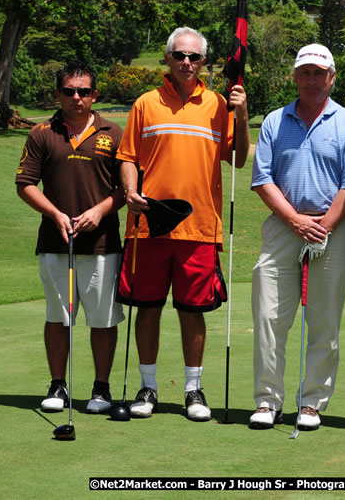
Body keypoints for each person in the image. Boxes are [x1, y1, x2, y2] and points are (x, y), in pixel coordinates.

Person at [117, 27, 250, 422]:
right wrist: (129, 190)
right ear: (167, 58)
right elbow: (127, 157)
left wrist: (241, 115)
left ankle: (193, 390)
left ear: (204, 62)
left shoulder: (218, 104)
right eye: (179, 55)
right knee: (148, 308)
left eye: (194, 57)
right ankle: (148, 387)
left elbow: (238, 158)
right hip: (149, 224)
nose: (186, 63)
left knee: (193, 310)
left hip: (200, 227)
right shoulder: (145, 103)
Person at [249, 44, 345, 431]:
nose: (312, 79)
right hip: (284, 227)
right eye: (305, 72)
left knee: (324, 322)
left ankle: (312, 403)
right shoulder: (274, 121)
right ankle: (268, 402)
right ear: (295, 76)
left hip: (331, 229)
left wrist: (324, 226)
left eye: (320, 72)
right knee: (268, 316)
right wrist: (296, 222)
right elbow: (262, 180)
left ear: (332, 77)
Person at [16, 62, 126, 415]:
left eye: (83, 91)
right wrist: (55, 214)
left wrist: (100, 211)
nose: (76, 97)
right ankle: (58, 385)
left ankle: (101, 388)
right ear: (58, 94)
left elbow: (126, 188)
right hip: (55, 240)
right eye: (68, 91)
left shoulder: (114, 132)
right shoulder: (42, 133)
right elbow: (25, 184)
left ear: (95, 94)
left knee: (103, 318)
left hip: (102, 243)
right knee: (58, 315)